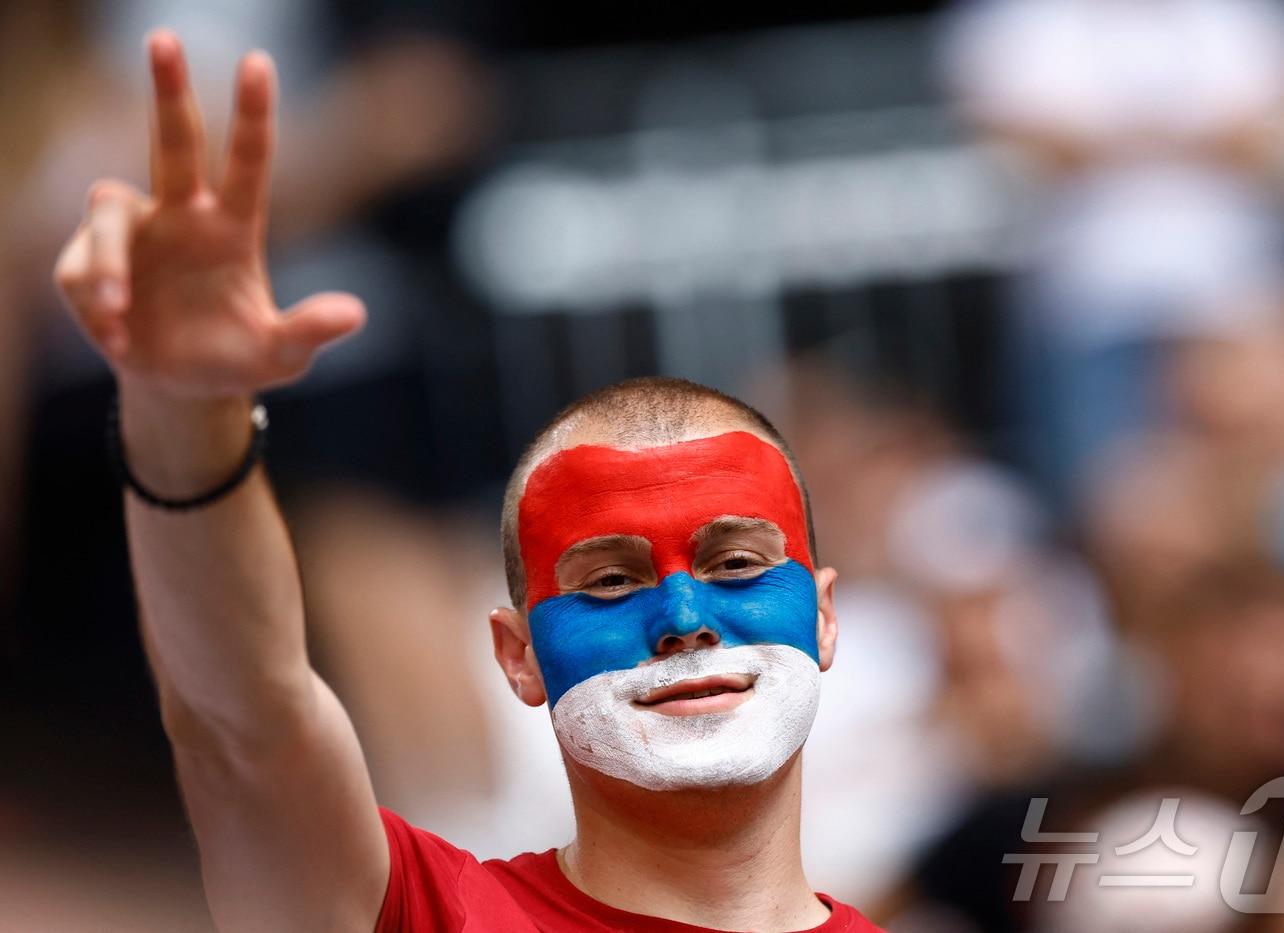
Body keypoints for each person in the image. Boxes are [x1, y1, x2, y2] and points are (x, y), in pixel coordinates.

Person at [52, 30, 882, 933]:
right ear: (517, 654)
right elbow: (242, 731)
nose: (683, 621)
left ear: (826, 614)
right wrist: (182, 412)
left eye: (734, 563)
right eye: (610, 578)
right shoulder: (429, 912)